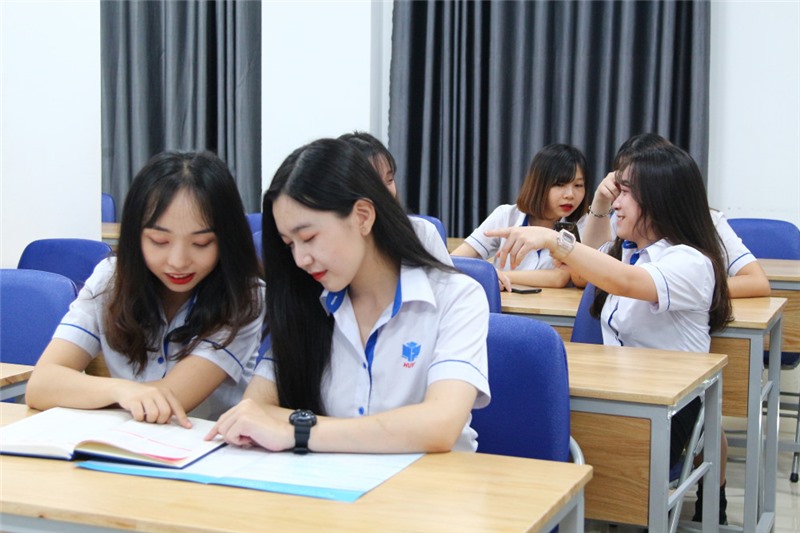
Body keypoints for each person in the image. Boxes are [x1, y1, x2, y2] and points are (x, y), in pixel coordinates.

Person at [485, 143, 733, 524]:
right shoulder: (629, 250)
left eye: (626, 193)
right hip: (622, 392)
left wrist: (553, 240)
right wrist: (597, 206)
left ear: (660, 198)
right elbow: (587, 269)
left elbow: (624, 281)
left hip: (668, 409)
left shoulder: (690, 262)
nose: (617, 203)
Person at [207, 138, 490, 453]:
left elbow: (440, 424)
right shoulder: (304, 299)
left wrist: (299, 431)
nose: (300, 259)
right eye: (290, 245)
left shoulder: (457, 297)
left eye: (309, 237)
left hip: (430, 481)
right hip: (331, 480)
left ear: (363, 216)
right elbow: (255, 409)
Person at [26, 151, 265, 425]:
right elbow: (41, 384)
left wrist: (99, 392)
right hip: (123, 439)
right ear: (134, 236)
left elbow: (168, 401)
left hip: (206, 444)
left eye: (201, 244)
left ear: (226, 240)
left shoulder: (244, 297)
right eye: (159, 241)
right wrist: (120, 390)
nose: (178, 261)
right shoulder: (111, 279)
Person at [582, 133, 770, 298]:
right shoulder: (621, 218)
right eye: (621, 186)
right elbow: (587, 275)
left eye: (630, 188)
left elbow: (756, 281)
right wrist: (600, 200)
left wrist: (685, 289)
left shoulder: (705, 222)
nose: (619, 201)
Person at [451, 143, 589, 290]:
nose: (570, 195)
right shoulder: (506, 215)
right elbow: (454, 261)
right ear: (539, 184)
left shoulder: (584, 225)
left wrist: (496, 276)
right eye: (560, 184)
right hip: (504, 302)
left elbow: (559, 277)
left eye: (578, 185)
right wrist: (490, 274)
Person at [338, 131, 453, 266]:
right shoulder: (332, 241)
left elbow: (448, 279)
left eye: (389, 180)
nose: (386, 191)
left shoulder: (422, 233)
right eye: (375, 182)